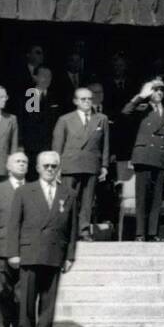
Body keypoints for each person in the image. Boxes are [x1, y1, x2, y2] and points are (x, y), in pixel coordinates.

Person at [1, 150, 77, 327]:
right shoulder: (25, 191)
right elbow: (14, 225)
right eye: (46, 166)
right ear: (37, 168)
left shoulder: (68, 193)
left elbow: (72, 228)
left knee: (48, 299)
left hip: (54, 252)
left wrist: (70, 257)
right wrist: (13, 253)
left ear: (59, 168)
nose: (50, 169)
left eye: (54, 166)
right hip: (29, 252)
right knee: (26, 299)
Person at [122, 78, 164, 242]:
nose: (159, 93)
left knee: (157, 199)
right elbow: (125, 112)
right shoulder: (142, 108)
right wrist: (140, 96)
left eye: (161, 90)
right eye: (155, 90)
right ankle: (140, 233)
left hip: (162, 157)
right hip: (144, 156)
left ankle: (152, 233)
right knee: (142, 197)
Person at [50, 87, 110, 241]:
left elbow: (105, 145)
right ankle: (65, 232)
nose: (87, 102)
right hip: (70, 165)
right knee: (68, 200)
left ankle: (83, 231)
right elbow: (57, 145)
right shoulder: (65, 119)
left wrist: (104, 166)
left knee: (87, 201)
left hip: (91, 165)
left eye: (89, 99)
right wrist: (56, 167)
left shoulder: (101, 119)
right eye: (83, 99)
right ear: (75, 101)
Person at [0, 151, 28, 327]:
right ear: (8, 166)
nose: (21, 164)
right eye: (17, 161)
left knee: (22, 295)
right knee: (0, 294)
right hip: (1, 249)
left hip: (26, 250)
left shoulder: (34, 189)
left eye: (24, 162)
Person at [17, 66, 59, 162]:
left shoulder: (55, 96)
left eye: (49, 76)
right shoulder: (29, 95)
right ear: (35, 77)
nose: (47, 79)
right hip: (31, 147)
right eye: (43, 76)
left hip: (50, 146)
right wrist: (20, 144)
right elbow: (23, 121)